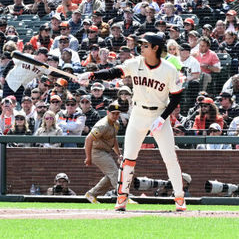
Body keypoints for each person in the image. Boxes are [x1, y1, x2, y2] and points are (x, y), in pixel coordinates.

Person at [77, 33, 186, 212]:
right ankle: (122, 198)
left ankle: (180, 198)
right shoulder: (135, 63)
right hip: (138, 113)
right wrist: (92, 75)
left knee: (170, 158)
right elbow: (114, 73)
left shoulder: (169, 69)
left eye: (145, 45)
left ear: (155, 48)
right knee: (128, 158)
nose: (141, 47)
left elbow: (176, 97)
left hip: (159, 114)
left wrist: (162, 118)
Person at [84, 102, 122, 203]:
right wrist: (88, 158)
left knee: (111, 175)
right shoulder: (102, 125)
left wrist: (119, 154)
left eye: (117, 113)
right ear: (107, 112)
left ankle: (92, 194)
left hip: (105, 151)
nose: (115, 116)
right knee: (114, 172)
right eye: (113, 113)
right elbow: (88, 139)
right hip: (96, 151)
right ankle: (123, 197)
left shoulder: (116, 124)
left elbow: (113, 139)